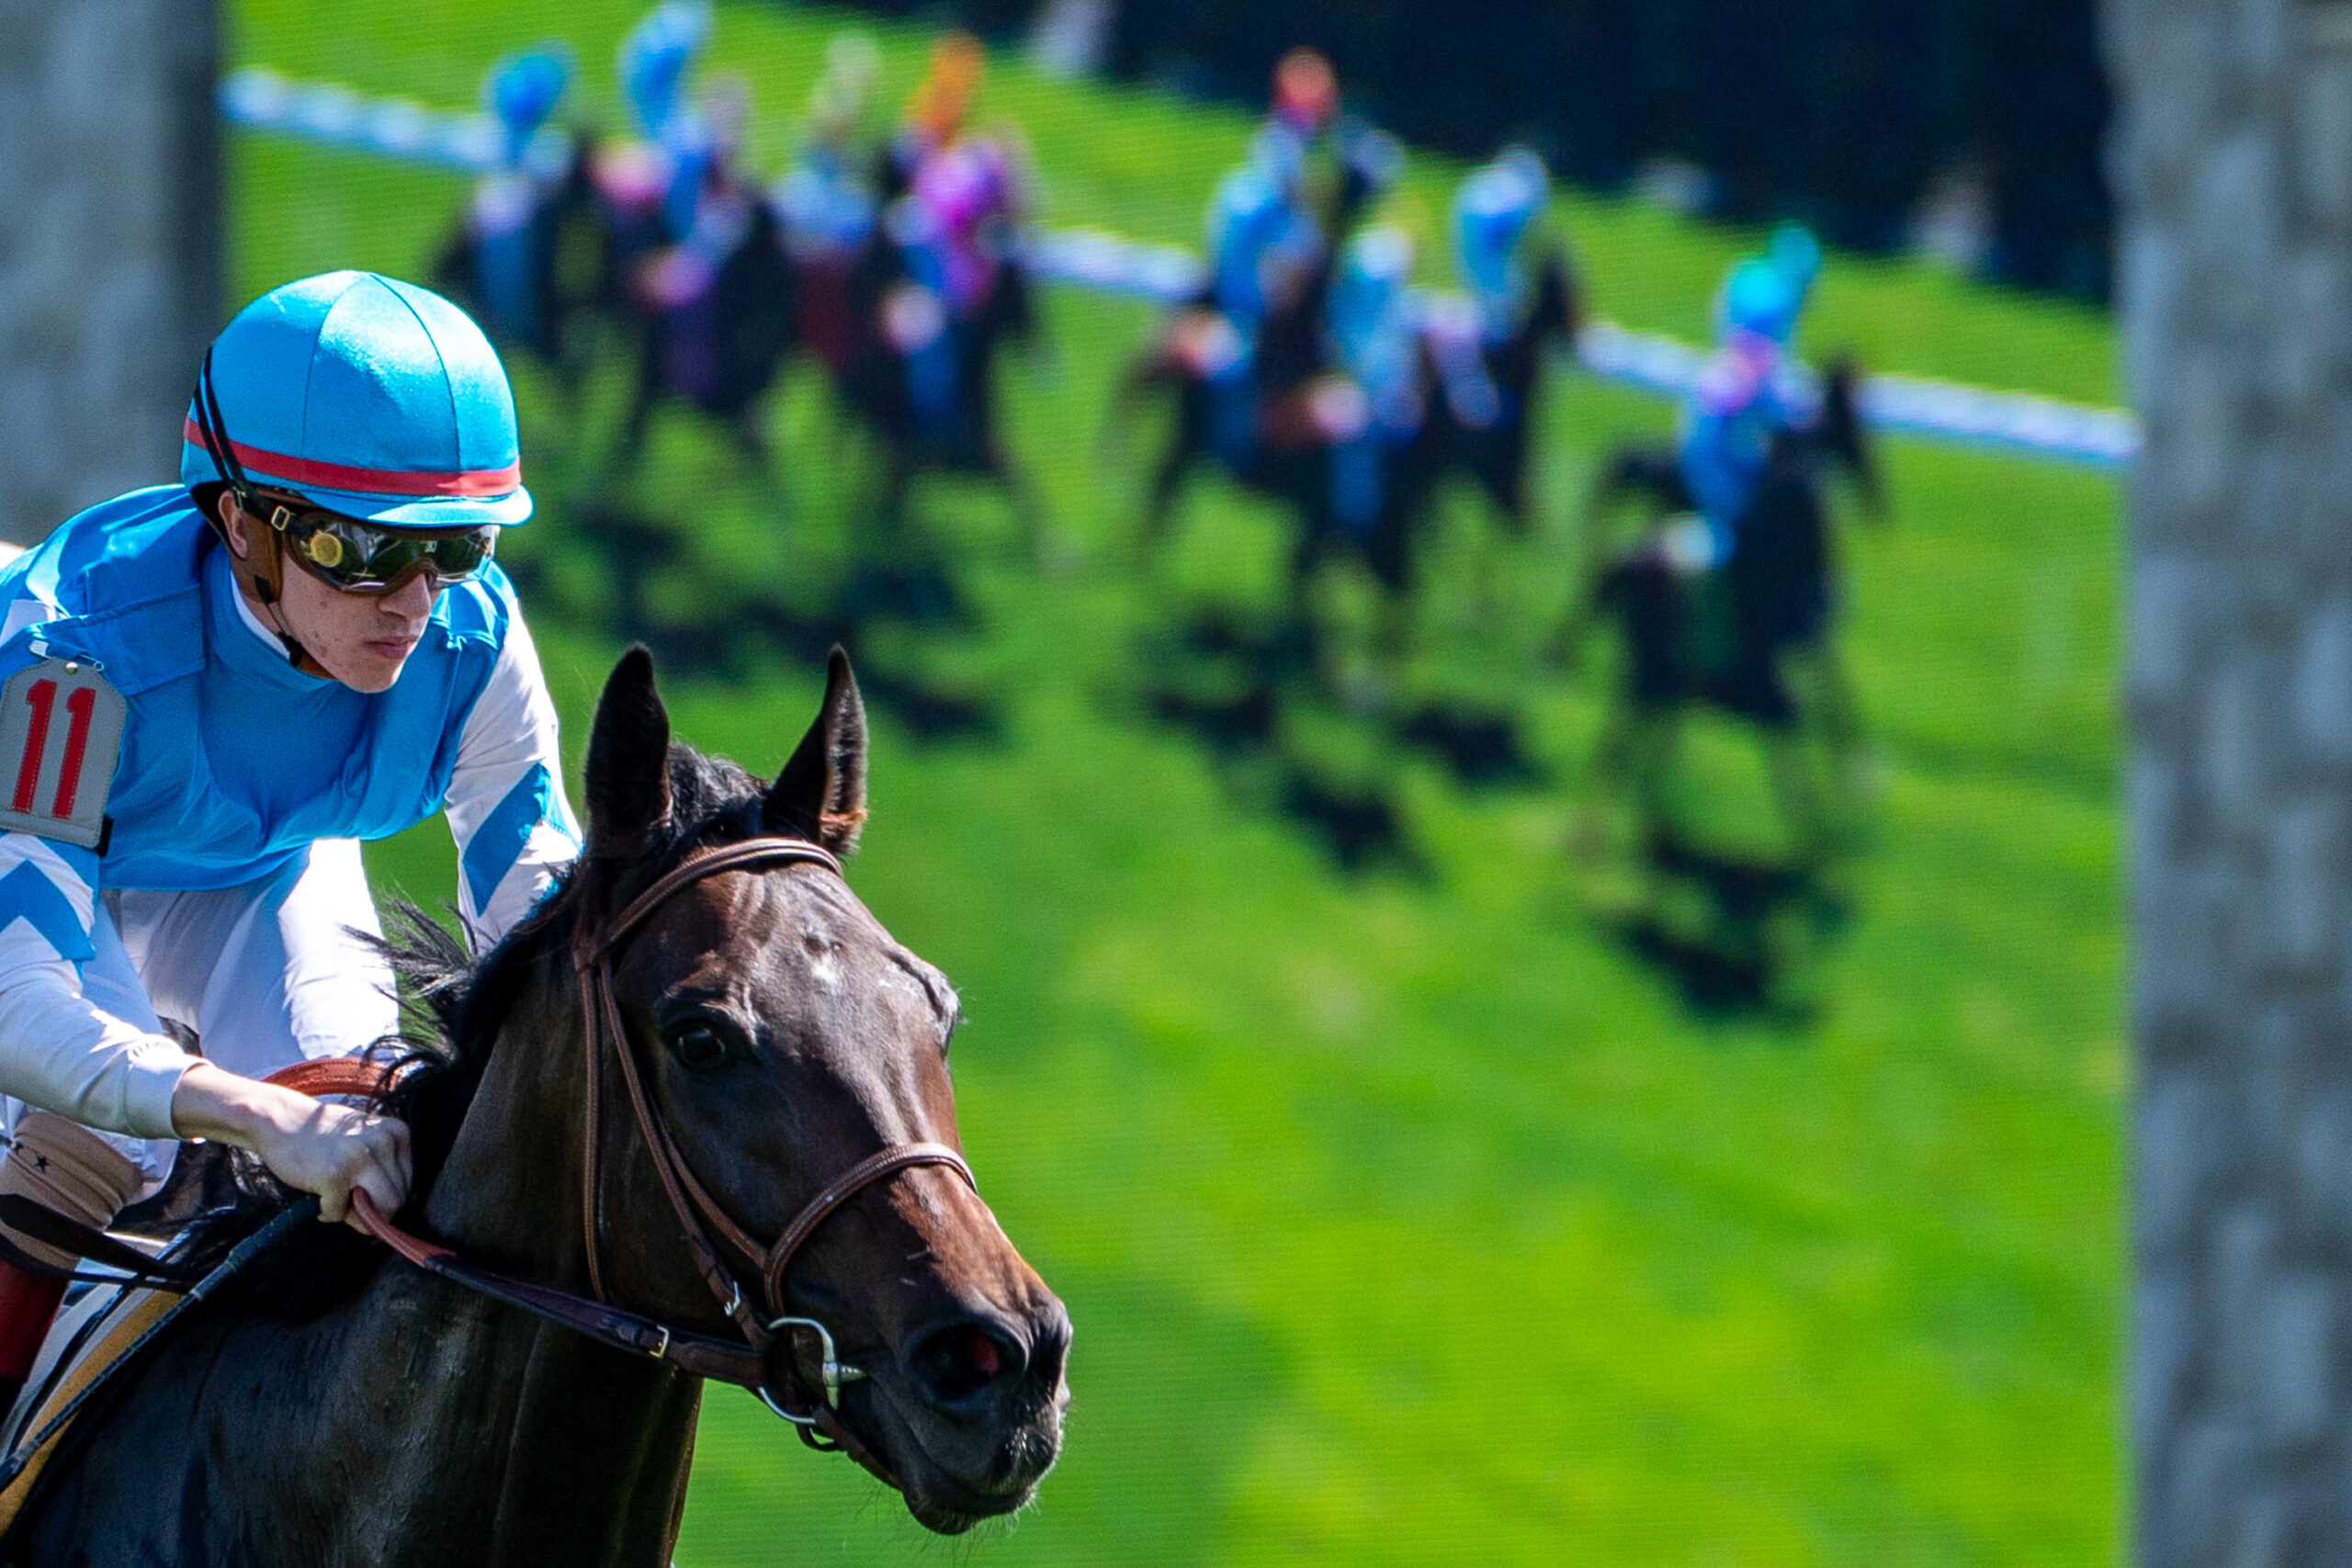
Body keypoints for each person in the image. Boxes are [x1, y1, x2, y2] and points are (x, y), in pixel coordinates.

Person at [0, 270, 578, 1407]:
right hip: (38, 883)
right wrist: (253, 1110)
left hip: (259, 868)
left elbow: (546, 943)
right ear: (240, 523)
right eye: (361, 551)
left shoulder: (477, 640)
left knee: (367, 1145)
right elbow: (18, 999)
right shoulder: (77, 650)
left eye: (456, 546)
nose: (414, 603)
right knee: (109, 1139)